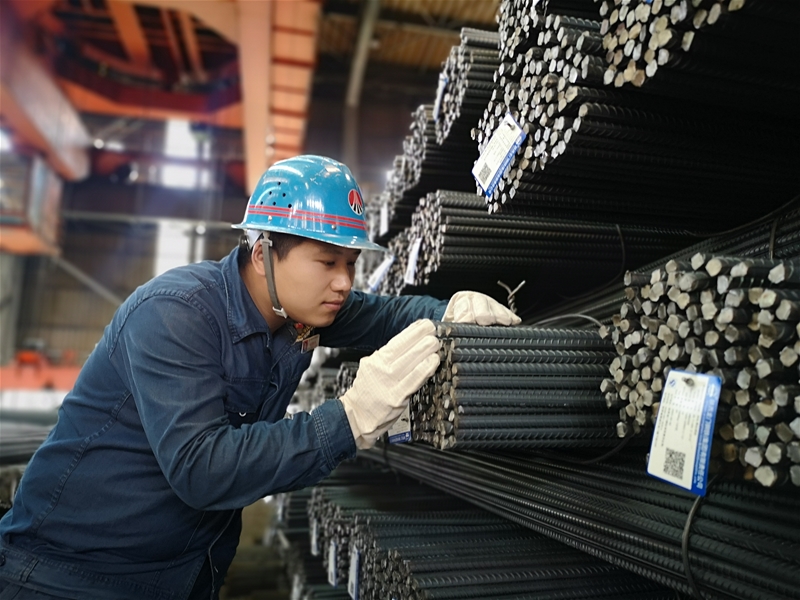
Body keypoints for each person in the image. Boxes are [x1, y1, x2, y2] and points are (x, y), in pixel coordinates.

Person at [0, 155, 519, 599]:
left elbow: (384, 316)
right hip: (67, 575)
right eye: (327, 261)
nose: (344, 282)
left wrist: (449, 310)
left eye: (351, 263)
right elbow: (202, 469)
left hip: (185, 572)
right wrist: (350, 418)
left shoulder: (302, 309)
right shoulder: (176, 313)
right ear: (263, 251)